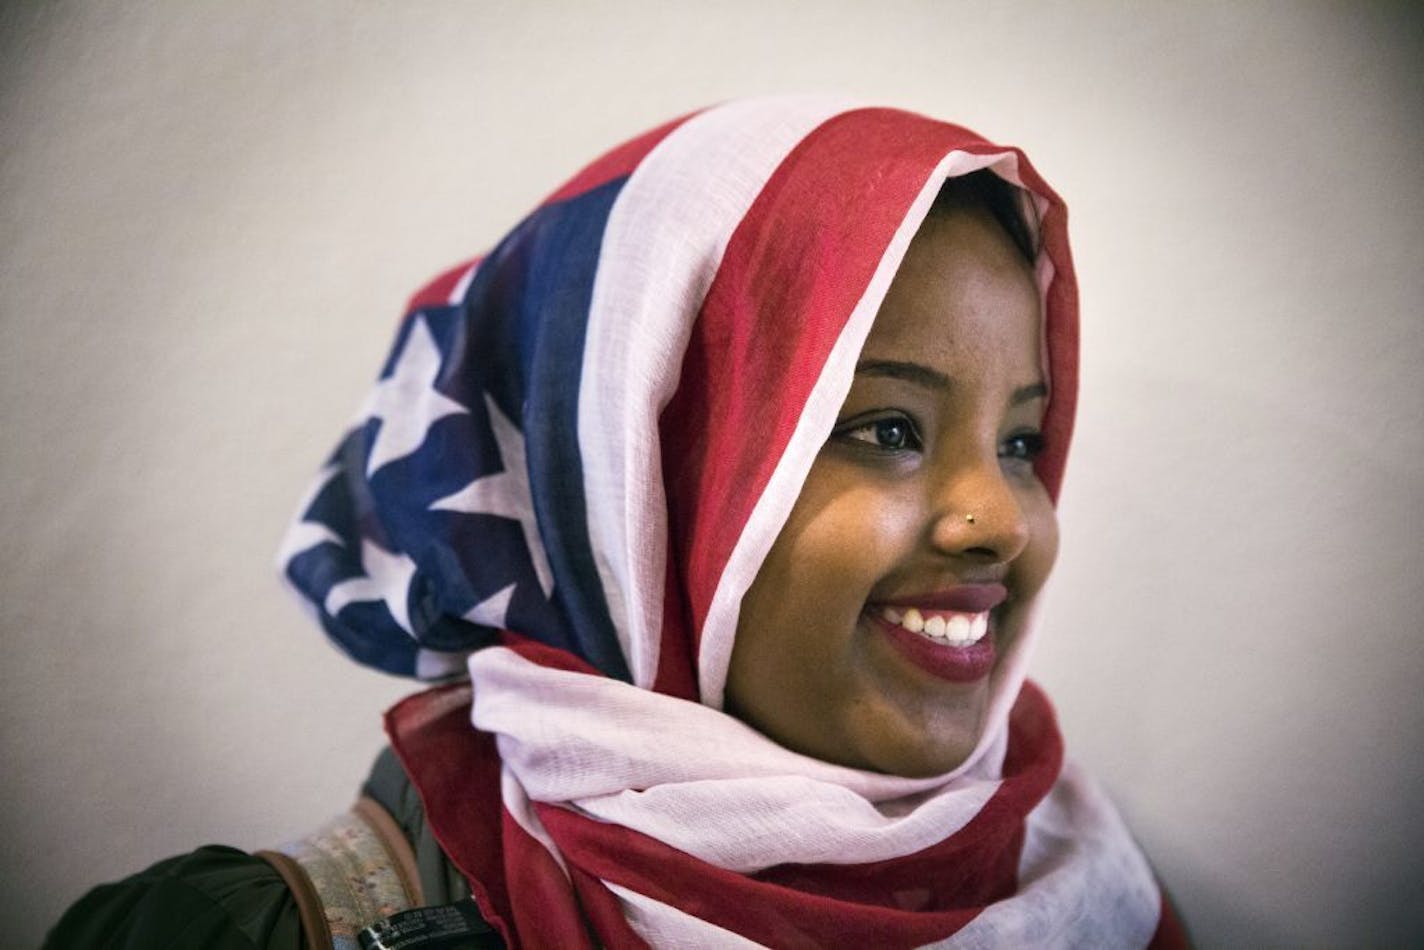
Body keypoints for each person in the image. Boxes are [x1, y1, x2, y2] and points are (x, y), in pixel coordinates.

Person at [47, 97, 1187, 948]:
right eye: (886, 427)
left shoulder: (1084, 876)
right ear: (639, 486)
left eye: (1023, 441)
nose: (998, 516)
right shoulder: (241, 931)